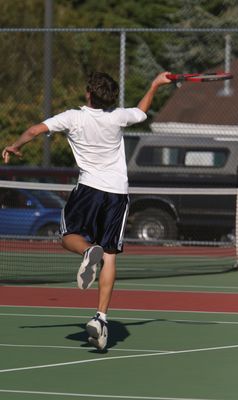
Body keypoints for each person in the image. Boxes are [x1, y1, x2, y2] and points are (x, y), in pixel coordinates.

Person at [2, 71, 172, 350]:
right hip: (118, 193)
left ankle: (85, 251)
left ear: (88, 94)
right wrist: (155, 84)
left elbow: (34, 131)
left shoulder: (73, 117)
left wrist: (16, 146)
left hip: (89, 190)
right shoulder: (118, 116)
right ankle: (101, 317)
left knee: (68, 236)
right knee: (110, 256)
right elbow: (142, 112)